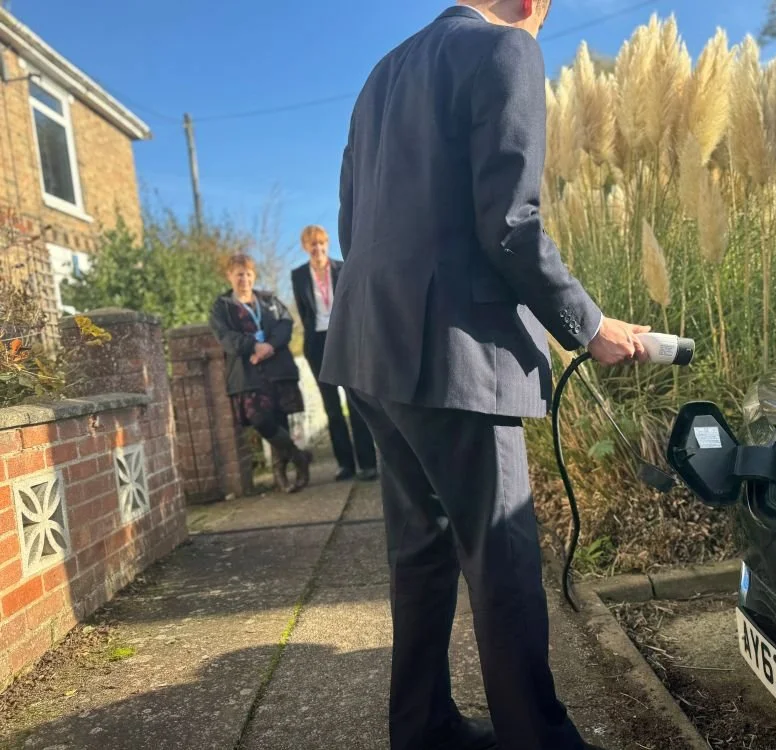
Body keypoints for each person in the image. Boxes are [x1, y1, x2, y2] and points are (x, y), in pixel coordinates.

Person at [321, 2, 651, 749]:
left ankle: (424, 728)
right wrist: (591, 327)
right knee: (500, 558)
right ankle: (537, 739)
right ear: (533, 6)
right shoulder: (505, 49)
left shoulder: (380, 75)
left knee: (420, 552)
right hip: (456, 355)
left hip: (370, 342)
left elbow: (351, 221)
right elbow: (511, 223)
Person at [210, 253, 312, 493]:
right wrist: (253, 346)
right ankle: (299, 458)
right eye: (238, 274)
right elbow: (225, 337)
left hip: (277, 368)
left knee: (280, 420)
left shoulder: (270, 300)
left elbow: (285, 324)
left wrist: (269, 346)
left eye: (247, 274)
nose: (243, 279)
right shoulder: (221, 307)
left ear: (253, 276)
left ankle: (282, 475)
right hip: (247, 374)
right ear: (229, 276)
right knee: (260, 420)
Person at [291, 225, 378, 482]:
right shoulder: (298, 276)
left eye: (321, 244)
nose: (317, 249)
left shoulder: (342, 268)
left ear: (326, 245)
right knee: (331, 406)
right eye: (312, 245)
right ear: (306, 248)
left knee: (356, 401)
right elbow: (305, 313)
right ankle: (345, 464)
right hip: (317, 343)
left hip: (345, 338)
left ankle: (368, 462)